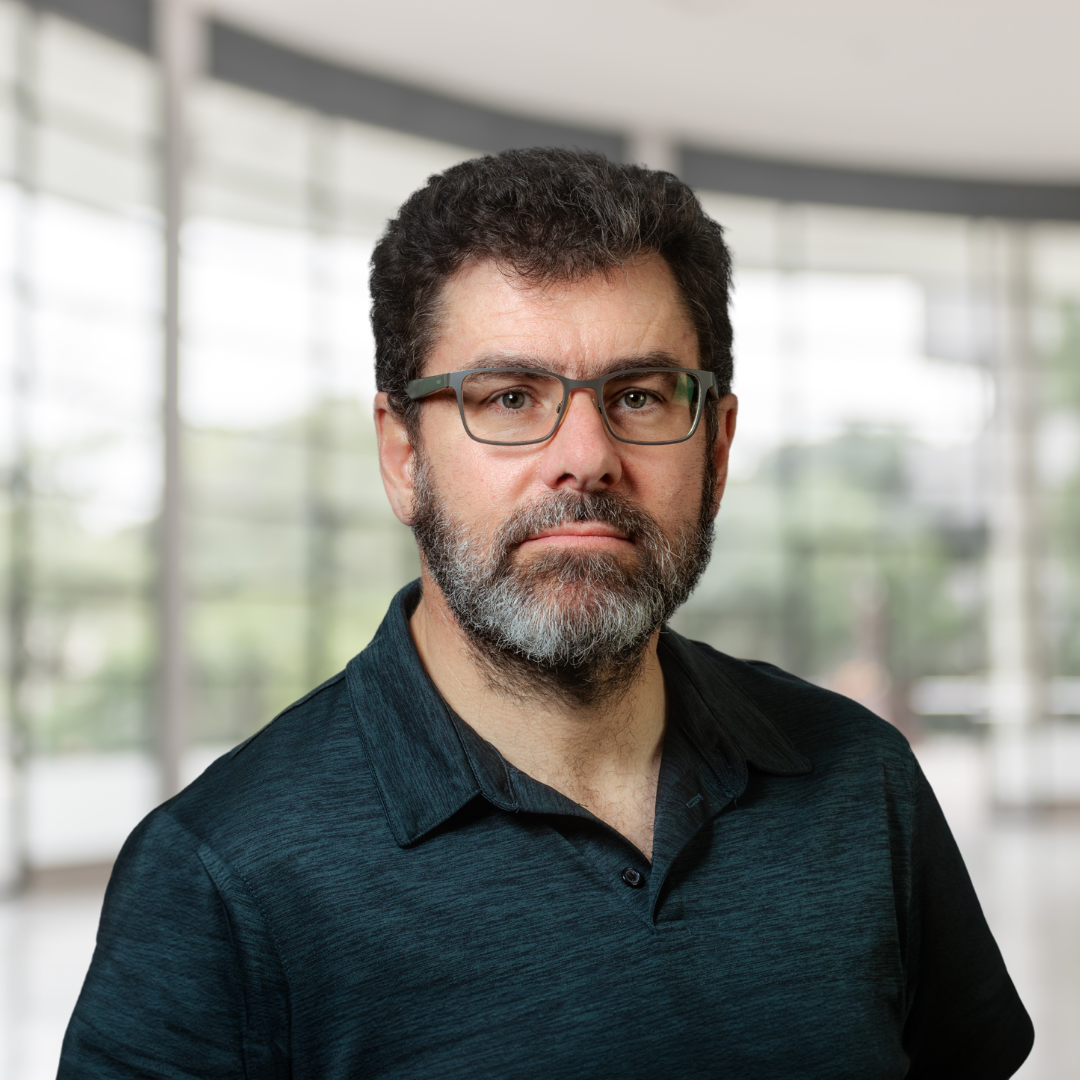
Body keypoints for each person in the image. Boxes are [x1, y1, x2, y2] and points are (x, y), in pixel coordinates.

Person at [60, 148, 1033, 1079]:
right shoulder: (218, 876)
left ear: (718, 448)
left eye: (640, 396)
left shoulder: (861, 780)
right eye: (510, 397)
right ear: (403, 457)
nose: (587, 457)